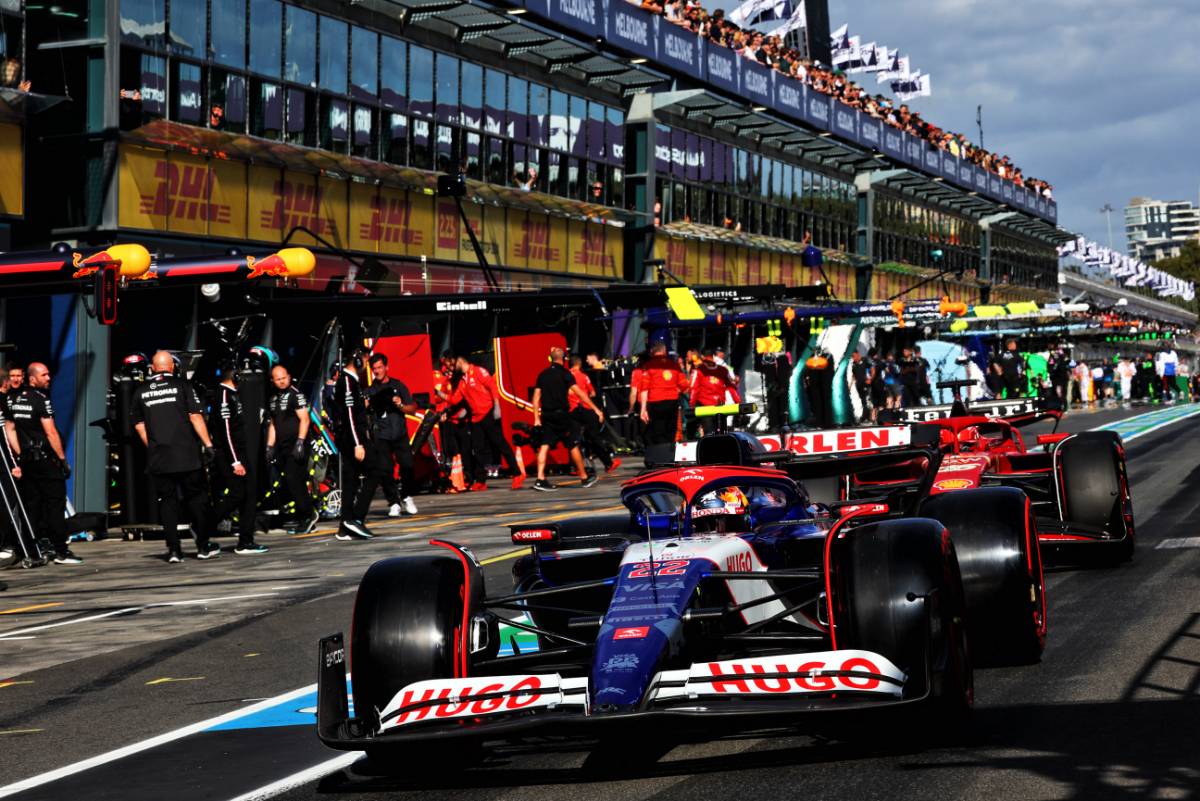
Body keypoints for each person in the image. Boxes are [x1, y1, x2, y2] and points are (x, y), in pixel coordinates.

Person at [131, 352, 220, 563]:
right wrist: (208, 444)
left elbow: (138, 424)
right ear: (171, 367)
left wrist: (152, 445)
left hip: (159, 456)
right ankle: (203, 546)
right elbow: (196, 416)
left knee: (167, 502)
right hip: (186, 454)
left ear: (152, 368)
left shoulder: (140, 391)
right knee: (197, 499)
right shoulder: (182, 385)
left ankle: (173, 550)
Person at [8, 363, 79, 564]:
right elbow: (51, 432)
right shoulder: (41, 399)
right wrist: (63, 460)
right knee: (55, 504)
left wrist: (20, 454)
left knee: (33, 505)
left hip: (28, 462)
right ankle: (61, 551)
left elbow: (10, 429)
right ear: (32, 378)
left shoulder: (13, 399)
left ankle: (33, 547)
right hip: (46, 461)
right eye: (44, 375)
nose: (49, 378)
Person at [206, 361, 268, 554]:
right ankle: (204, 525)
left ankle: (245, 541)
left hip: (240, 453)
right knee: (237, 494)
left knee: (249, 494)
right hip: (230, 455)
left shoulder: (234, 395)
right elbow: (226, 433)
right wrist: (235, 461)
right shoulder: (224, 396)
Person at [446, 354, 523, 491]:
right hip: (475, 418)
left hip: (487, 413)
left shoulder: (478, 371)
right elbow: (453, 400)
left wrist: (497, 406)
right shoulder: (463, 382)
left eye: (453, 363)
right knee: (478, 449)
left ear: (460, 361)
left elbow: (492, 386)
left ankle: (517, 473)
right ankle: (481, 481)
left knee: (499, 443)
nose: (452, 367)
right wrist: (438, 394)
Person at [531, 347, 601, 492]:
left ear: (551, 358)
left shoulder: (542, 374)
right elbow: (580, 394)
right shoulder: (565, 374)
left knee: (545, 444)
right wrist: (595, 408)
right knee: (573, 444)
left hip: (547, 415)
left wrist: (536, 418)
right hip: (562, 415)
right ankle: (583, 477)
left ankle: (540, 479)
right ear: (563, 359)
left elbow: (536, 398)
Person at [329, 350, 379, 539]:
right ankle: (355, 518)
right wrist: (358, 443)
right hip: (353, 438)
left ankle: (345, 524)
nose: (366, 364)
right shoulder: (349, 382)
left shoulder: (350, 381)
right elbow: (349, 415)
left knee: (350, 478)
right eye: (365, 360)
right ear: (357, 361)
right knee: (375, 470)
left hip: (350, 436)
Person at [266, 365, 319, 534]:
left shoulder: (296, 395)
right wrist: (269, 446)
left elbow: (304, 419)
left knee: (294, 479)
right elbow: (273, 424)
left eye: (284, 378)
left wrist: (300, 442)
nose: (281, 381)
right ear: (272, 381)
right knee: (290, 482)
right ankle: (305, 514)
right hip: (282, 446)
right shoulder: (273, 398)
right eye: (278, 379)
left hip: (297, 445)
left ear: (289, 377)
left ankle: (308, 514)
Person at [365, 354, 420, 513]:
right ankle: (393, 502)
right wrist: (366, 405)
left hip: (399, 433)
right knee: (385, 469)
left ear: (386, 367)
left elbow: (412, 408)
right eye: (374, 369)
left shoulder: (398, 386)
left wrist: (400, 404)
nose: (377, 371)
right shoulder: (369, 390)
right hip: (381, 434)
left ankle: (407, 496)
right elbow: (362, 412)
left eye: (380, 367)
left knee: (408, 466)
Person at [569, 354, 619, 474]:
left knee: (573, 440)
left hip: (571, 410)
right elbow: (592, 393)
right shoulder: (583, 376)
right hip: (586, 409)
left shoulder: (565, 376)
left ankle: (575, 467)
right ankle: (608, 463)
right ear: (579, 364)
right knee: (594, 437)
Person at [638, 341, 689, 446]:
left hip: (656, 402)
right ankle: (669, 455)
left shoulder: (648, 366)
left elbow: (644, 389)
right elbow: (684, 386)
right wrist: (675, 390)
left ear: (652, 352)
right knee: (670, 431)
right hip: (672, 402)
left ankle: (661, 456)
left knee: (657, 431)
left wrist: (643, 409)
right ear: (664, 351)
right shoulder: (674, 365)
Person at [689, 348, 740, 434]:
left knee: (709, 433)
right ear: (713, 356)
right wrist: (738, 402)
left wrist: (691, 405)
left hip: (705, 407)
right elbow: (732, 387)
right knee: (721, 432)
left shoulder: (699, 370)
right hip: (720, 406)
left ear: (702, 356)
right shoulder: (723, 370)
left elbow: (694, 388)